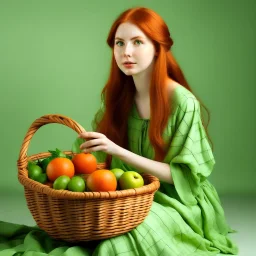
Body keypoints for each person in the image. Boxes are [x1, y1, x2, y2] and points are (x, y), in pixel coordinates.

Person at [0, 6, 238, 256]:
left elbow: (184, 178)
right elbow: (100, 165)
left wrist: (118, 151)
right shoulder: (117, 97)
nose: (127, 52)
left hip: (178, 200)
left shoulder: (182, 102)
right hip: (127, 195)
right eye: (119, 43)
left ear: (158, 48)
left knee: (117, 241)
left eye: (138, 42)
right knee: (91, 231)